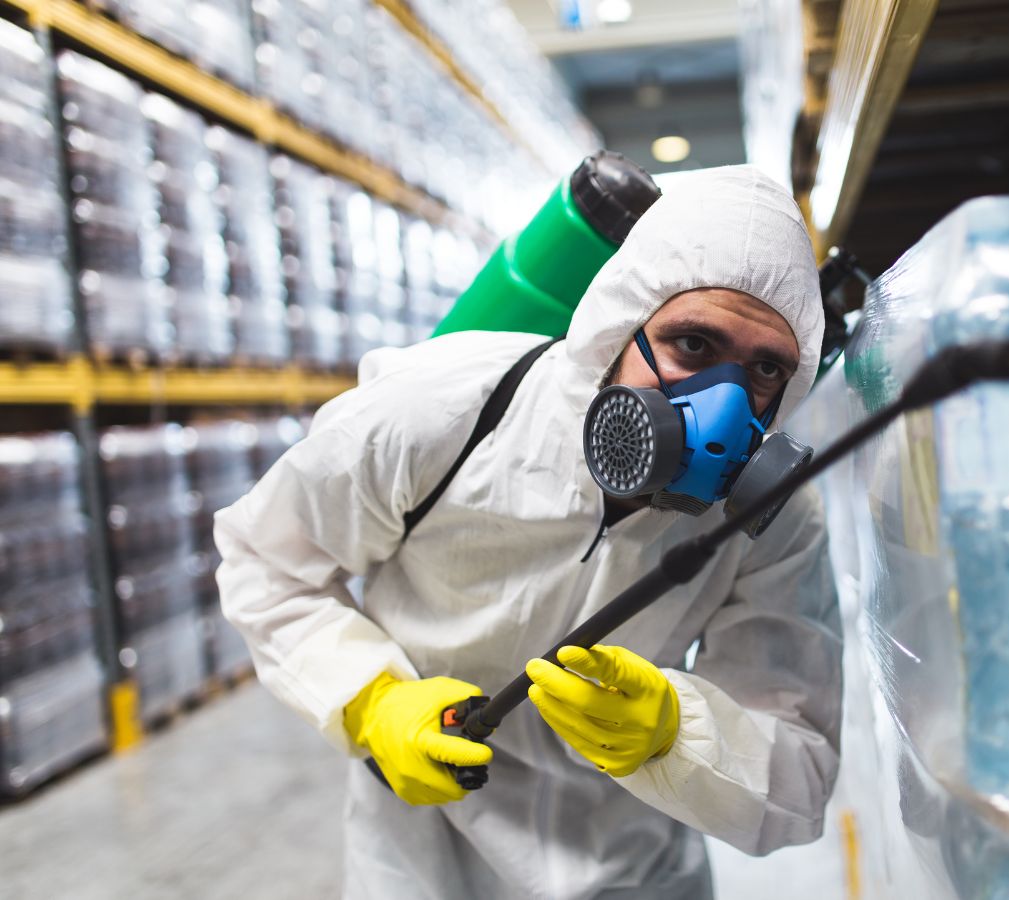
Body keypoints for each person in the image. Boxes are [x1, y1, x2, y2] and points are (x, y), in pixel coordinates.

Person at [215, 165, 842, 899]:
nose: (724, 410)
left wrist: (678, 732)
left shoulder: (771, 519)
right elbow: (268, 564)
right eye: (693, 347)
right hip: (422, 860)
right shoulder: (443, 410)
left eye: (765, 368)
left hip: (633, 872)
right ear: (619, 325)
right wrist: (371, 700)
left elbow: (799, 773)